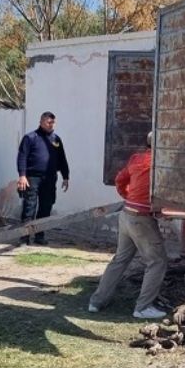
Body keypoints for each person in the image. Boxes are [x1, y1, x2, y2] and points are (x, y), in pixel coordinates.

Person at [88, 132, 167, 319]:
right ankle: (143, 307)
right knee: (157, 261)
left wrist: (128, 196)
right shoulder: (161, 164)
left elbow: (120, 180)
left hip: (126, 214)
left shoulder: (136, 159)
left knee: (120, 260)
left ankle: (96, 302)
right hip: (142, 219)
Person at [16, 111, 70, 246]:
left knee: (46, 207)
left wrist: (65, 176)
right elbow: (22, 157)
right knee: (30, 207)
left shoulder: (56, 139)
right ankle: (24, 237)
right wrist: (22, 175)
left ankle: (40, 236)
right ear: (41, 122)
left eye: (53, 122)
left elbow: (62, 159)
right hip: (32, 178)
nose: (51, 125)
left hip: (50, 178)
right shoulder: (30, 138)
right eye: (48, 122)